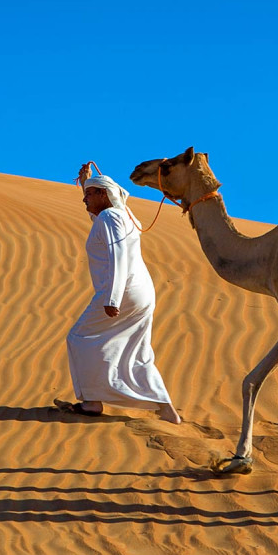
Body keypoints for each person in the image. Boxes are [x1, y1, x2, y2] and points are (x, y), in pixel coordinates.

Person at [62, 163, 182, 423]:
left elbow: (118, 255)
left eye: (90, 194)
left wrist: (112, 298)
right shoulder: (122, 215)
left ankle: (92, 402)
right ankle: (164, 407)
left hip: (122, 291)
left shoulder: (109, 217)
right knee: (137, 349)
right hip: (142, 293)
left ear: (104, 195)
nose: (84, 198)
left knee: (78, 337)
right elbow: (104, 221)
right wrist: (86, 182)